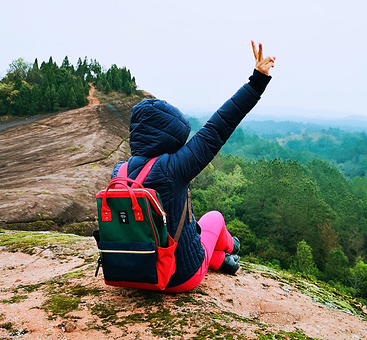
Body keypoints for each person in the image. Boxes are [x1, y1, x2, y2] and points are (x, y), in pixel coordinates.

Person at [114, 40, 275, 293]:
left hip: (132, 274)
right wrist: (257, 81)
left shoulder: (120, 172)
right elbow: (218, 127)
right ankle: (232, 248)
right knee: (214, 218)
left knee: (189, 224)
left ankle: (220, 259)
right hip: (179, 278)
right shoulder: (172, 168)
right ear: (171, 137)